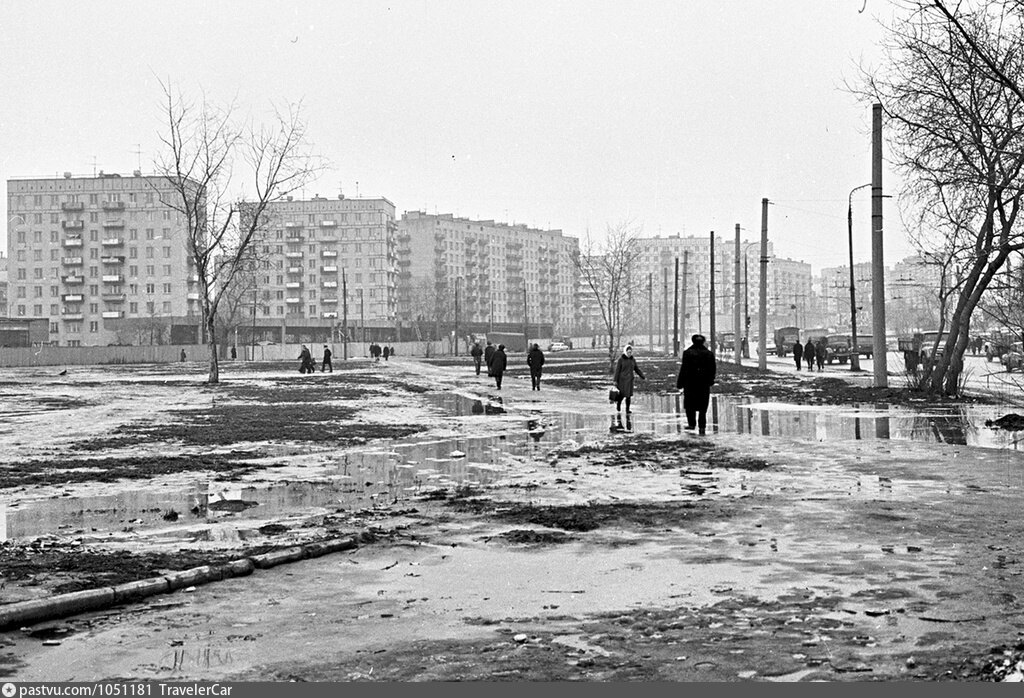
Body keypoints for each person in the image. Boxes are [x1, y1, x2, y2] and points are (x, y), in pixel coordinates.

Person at [677, 334, 717, 435]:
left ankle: (692, 424)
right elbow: (712, 369)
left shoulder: (687, 353)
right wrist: (710, 380)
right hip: (703, 384)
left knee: (690, 405)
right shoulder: (709, 354)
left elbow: (684, 369)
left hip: (690, 383)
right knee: (703, 406)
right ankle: (702, 426)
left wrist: (680, 383)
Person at [612, 344, 645, 414]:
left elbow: (636, 369)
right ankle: (618, 403)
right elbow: (617, 370)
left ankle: (627, 409)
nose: (629, 354)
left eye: (630, 352)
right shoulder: (621, 360)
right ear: (625, 352)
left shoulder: (632, 360)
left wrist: (642, 375)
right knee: (622, 394)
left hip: (629, 380)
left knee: (628, 396)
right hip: (622, 380)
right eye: (628, 352)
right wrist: (615, 380)